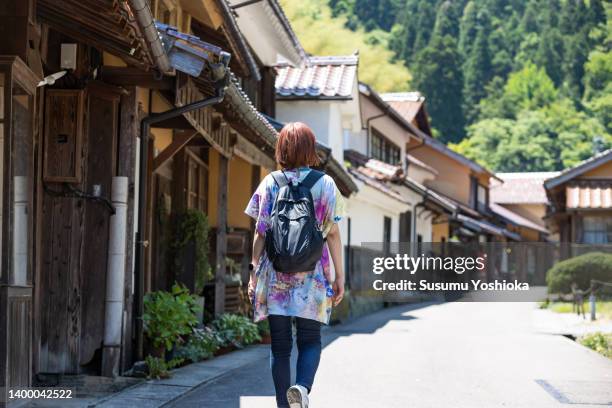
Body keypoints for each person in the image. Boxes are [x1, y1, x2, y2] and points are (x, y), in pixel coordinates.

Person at [245, 122, 346, 408]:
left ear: (282, 149)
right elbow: (334, 233)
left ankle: (282, 404)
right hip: (313, 275)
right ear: (310, 149)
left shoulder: (270, 182)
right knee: (310, 340)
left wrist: (253, 273)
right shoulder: (325, 184)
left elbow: (260, 232)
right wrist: (340, 275)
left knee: (279, 346)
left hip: (275, 276)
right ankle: (301, 389)